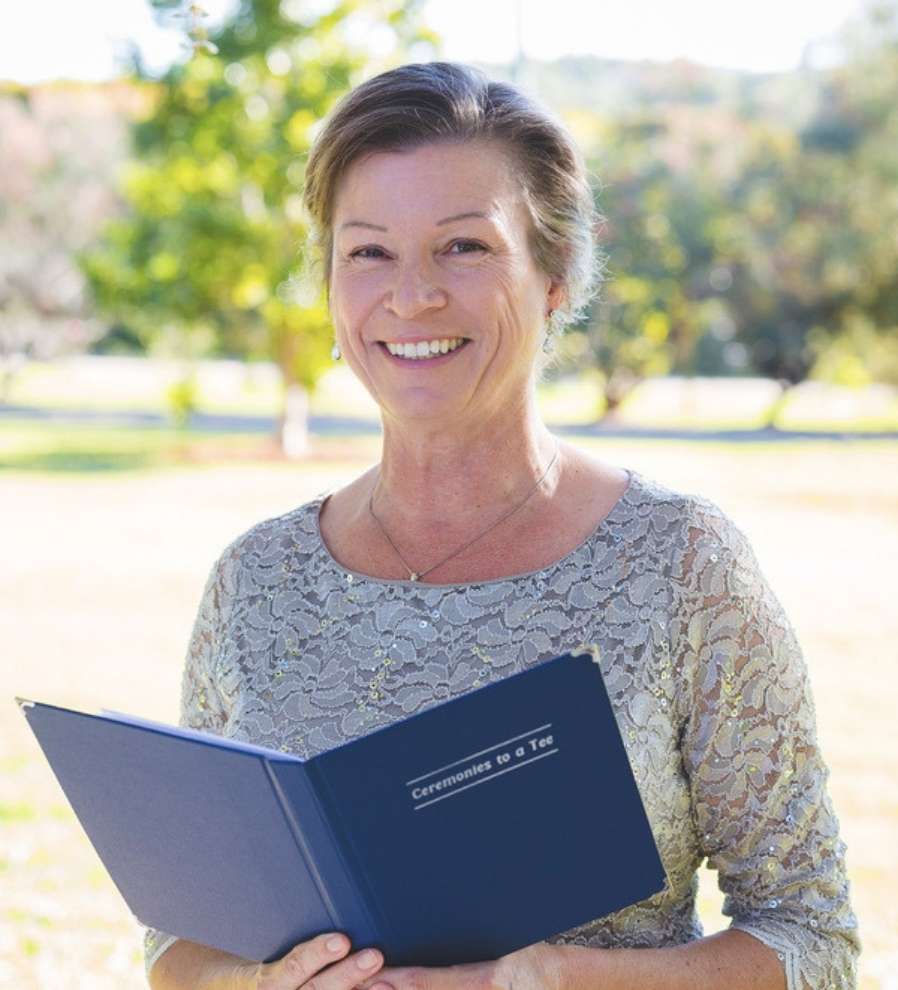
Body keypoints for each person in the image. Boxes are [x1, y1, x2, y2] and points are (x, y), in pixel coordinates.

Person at [144, 61, 859, 990]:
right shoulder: (256, 579)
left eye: (464, 248)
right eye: (368, 252)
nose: (411, 296)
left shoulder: (681, 565)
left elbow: (811, 939)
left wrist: (550, 979)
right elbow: (180, 944)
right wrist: (248, 985)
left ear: (556, 272)